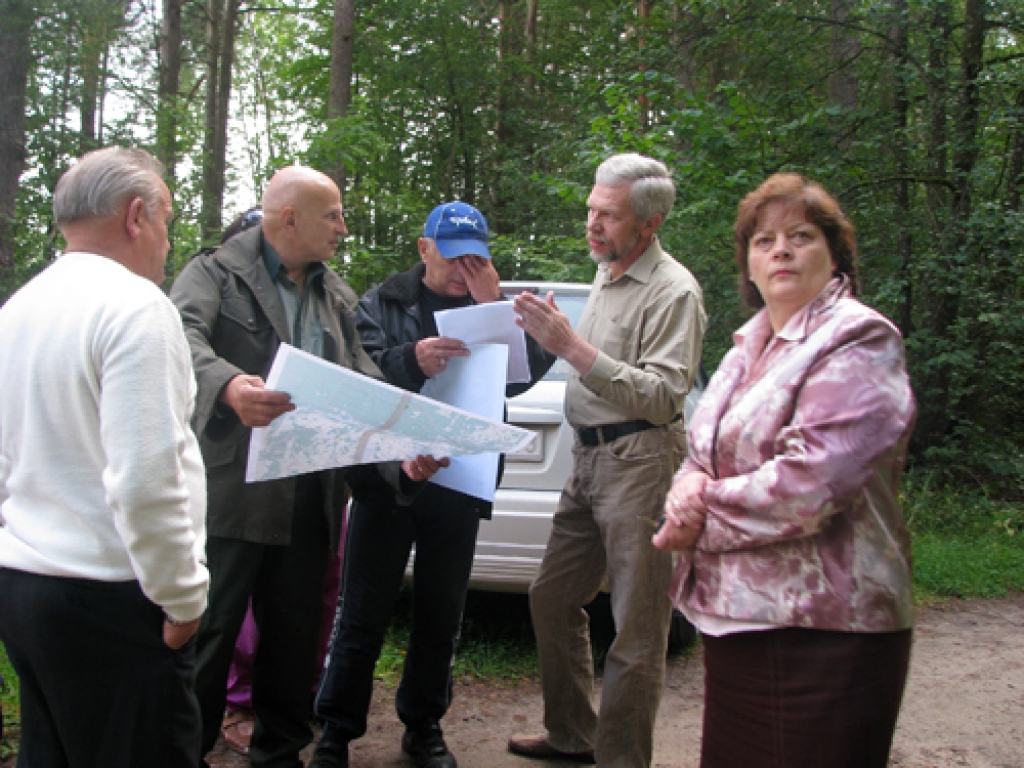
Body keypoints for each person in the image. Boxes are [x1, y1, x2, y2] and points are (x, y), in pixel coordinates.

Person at [170, 166, 445, 768]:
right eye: (334, 215)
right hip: (230, 493)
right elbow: (177, 340)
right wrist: (227, 388)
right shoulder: (213, 273)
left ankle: (280, 756)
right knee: (209, 638)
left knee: (293, 644)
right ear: (288, 217)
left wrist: (403, 452)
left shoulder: (337, 296)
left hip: (311, 495)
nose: (343, 228)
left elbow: (362, 384)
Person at [652, 173, 916, 768]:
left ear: (834, 254)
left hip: (826, 631)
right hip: (736, 621)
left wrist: (699, 519)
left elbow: (813, 482)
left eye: (801, 235)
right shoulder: (746, 344)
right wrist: (687, 489)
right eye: (764, 240)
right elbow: (699, 452)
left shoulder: (860, 338)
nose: (781, 250)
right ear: (747, 262)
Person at [309, 202, 556, 768]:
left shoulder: (494, 302)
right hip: (388, 479)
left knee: (441, 614)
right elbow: (359, 369)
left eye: (474, 259)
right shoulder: (384, 301)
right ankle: (336, 732)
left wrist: (494, 306)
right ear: (424, 248)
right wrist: (411, 359)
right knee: (362, 613)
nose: (461, 270)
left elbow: (527, 376)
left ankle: (423, 726)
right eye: (451, 257)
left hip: (460, 480)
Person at [0, 147, 208, 767]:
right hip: (113, 597)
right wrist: (183, 597)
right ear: (136, 216)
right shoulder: (137, 308)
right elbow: (146, 477)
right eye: (167, 219)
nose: (169, 242)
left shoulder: (18, 310)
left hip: (24, 584)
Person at [508, 153, 706, 767]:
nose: (591, 223)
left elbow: (663, 395)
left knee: (638, 630)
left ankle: (622, 761)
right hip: (588, 462)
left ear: (649, 224)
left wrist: (571, 346)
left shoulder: (675, 290)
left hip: (643, 462)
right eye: (591, 208)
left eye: (608, 215)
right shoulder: (606, 270)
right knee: (551, 596)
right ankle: (572, 735)